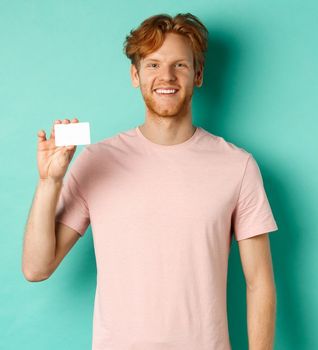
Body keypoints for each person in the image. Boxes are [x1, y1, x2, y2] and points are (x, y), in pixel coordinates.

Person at [21, 13, 278, 350]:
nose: (166, 76)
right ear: (135, 74)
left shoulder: (237, 166)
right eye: (153, 64)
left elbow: (259, 284)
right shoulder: (98, 160)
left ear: (198, 74)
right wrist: (49, 182)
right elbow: (36, 268)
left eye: (180, 65)